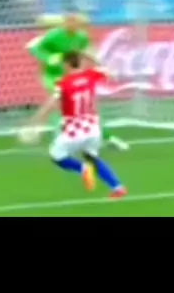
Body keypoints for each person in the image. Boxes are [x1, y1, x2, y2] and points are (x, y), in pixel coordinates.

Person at [21, 52, 127, 198]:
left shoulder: (63, 83)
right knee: (92, 157)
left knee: (56, 156)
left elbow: (50, 105)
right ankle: (117, 187)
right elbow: (112, 74)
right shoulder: (92, 75)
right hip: (93, 128)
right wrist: (92, 58)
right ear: (81, 62)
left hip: (74, 130)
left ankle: (82, 169)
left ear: (66, 64)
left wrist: (35, 121)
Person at [26, 14, 129, 152]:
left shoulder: (81, 37)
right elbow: (34, 47)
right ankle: (59, 139)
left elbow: (86, 51)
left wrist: (101, 65)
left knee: (85, 110)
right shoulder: (53, 36)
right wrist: (49, 58)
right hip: (53, 76)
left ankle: (106, 138)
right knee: (62, 107)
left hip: (71, 76)